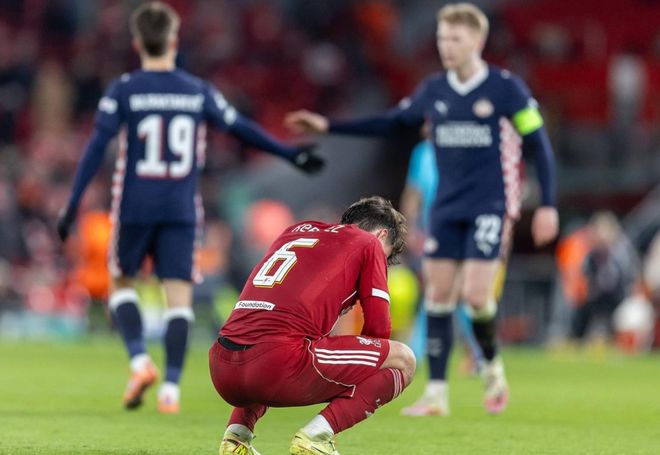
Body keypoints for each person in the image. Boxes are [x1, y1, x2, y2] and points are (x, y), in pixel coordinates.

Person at [285, 2, 558, 416]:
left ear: (477, 40)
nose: (446, 46)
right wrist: (329, 126)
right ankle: (436, 394)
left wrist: (548, 205)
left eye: (455, 38)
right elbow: (392, 122)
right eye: (442, 38)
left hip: (490, 205)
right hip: (446, 208)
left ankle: (492, 368)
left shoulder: (506, 89)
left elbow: (539, 145)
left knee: (476, 296)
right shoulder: (435, 90)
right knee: (438, 297)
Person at [56, 1, 324, 414]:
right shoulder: (196, 91)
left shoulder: (124, 90)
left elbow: (95, 148)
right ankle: (171, 389)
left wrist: (72, 203)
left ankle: (140, 361)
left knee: (121, 283)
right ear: (174, 40)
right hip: (181, 208)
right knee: (178, 298)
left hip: (136, 205)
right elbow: (241, 128)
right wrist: (290, 154)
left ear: (137, 43)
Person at [209, 196, 415, 455]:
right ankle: (315, 437)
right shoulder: (369, 242)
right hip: (275, 364)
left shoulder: (296, 231)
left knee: (272, 335)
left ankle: (236, 437)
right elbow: (378, 330)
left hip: (221, 367)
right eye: (386, 257)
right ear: (382, 234)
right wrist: (361, 384)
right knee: (403, 359)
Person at [401, 139, 483, 384]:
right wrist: (410, 228)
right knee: (440, 292)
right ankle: (477, 352)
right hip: (433, 233)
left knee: (453, 293)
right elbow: (413, 193)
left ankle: (476, 352)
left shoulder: (464, 145)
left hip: (463, 230)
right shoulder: (422, 152)